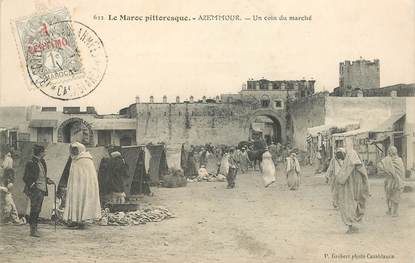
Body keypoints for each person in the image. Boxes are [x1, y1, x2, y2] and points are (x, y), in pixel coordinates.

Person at [59, 142, 101, 229]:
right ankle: (74, 220)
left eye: (75, 149)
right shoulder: (74, 160)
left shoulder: (86, 160)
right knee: (75, 201)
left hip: (84, 188)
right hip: (75, 187)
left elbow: (89, 177)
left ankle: (81, 221)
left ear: (80, 149)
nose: (74, 151)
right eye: (72, 149)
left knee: (82, 201)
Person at [335, 148, 370, 234]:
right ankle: (354, 226)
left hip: (352, 188)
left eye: (342, 157)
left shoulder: (350, 160)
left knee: (350, 205)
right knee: (353, 204)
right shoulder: (356, 165)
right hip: (354, 187)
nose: (342, 159)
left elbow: (341, 178)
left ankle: (353, 227)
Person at [23, 145, 55, 237]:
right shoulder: (31, 163)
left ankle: (35, 229)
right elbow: (26, 177)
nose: (45, 153)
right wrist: (33, 186)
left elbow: (42, 175)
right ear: (40, 153)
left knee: (38, 210)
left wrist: (47, 180)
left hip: (42, 189)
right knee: (34, 209)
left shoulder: (43, 162)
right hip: (35, 190)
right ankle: (33, 230)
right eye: (44, 151)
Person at [377, 146, 404, 217]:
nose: (393, 152)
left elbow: (379, 165)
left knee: (390, 196)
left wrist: (386, 170)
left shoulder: (387, 159)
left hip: (391, 180)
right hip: (396, 180)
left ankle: (391, 211)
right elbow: (402, 171)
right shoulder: (398, 160)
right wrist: (387, 171)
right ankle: (393, 212)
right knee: (394, 196)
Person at [0, 152, 25, 225]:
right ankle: (7, 219)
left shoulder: (9, 171)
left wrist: (6, 186)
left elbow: (10, 182)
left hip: (5, 191)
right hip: (3, 190)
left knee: (10, 203)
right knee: (8, 204)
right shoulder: (4, 170)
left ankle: (15, 220)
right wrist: (2, 188)